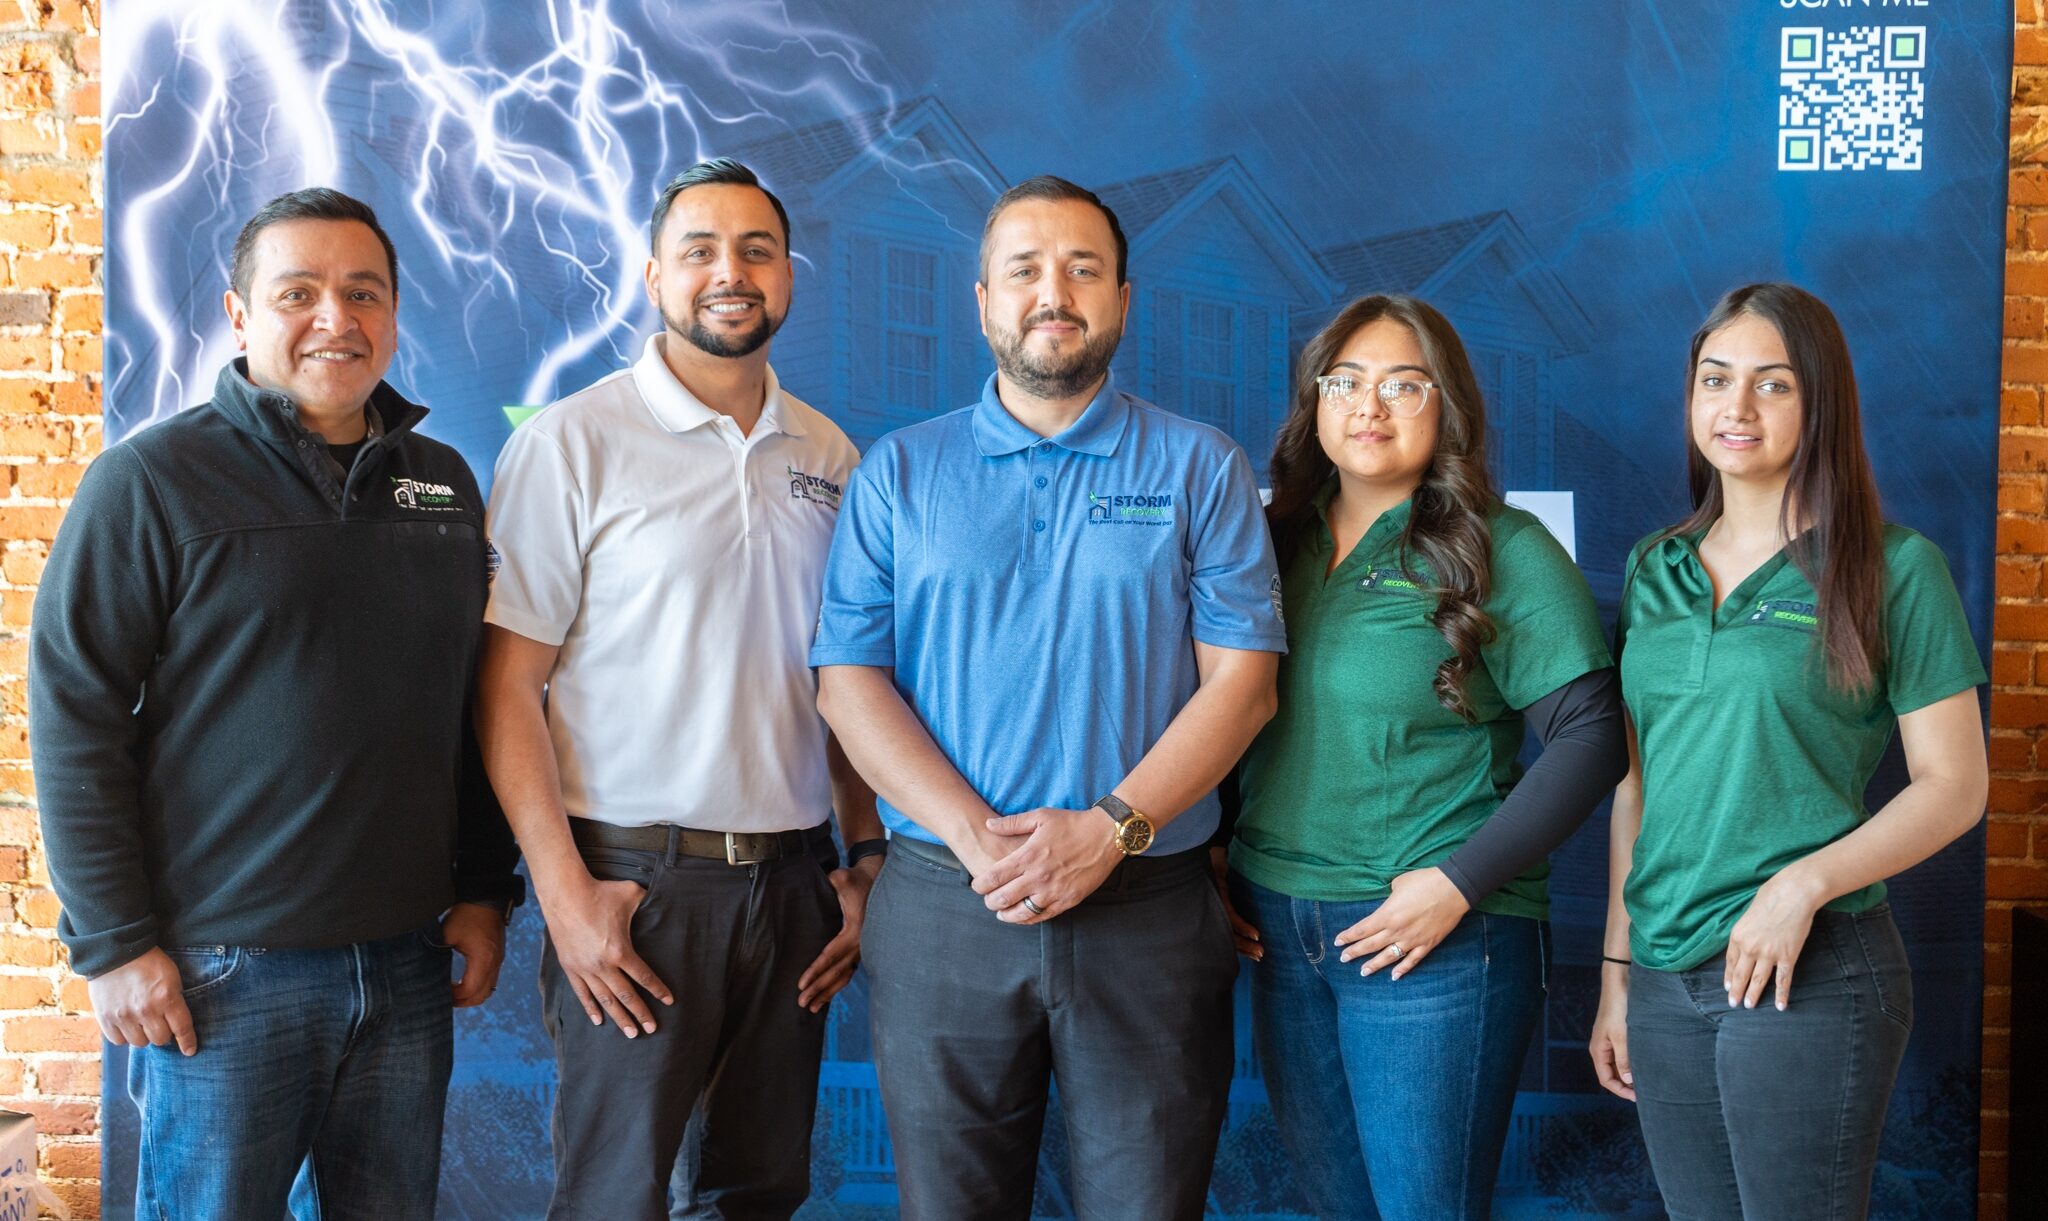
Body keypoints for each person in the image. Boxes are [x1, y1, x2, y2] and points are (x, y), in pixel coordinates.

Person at [30, 187, 521, 1219]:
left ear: (391, 315)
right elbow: (74, 713)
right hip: (222, 974)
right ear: (240, 315)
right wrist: (114, 943)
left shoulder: (440, 485)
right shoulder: (150, 481)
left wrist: (482, 887)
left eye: (363, 293)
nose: (335, 320)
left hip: (405, 962)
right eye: (298, 293)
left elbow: (470, 703)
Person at [811, 175, 1285, 1220]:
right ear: (981, 298)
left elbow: (1243, 687)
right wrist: (973, 835)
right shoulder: (898, 472)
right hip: (945, 900)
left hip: (1149, 905)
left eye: (1081, 269)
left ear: (1121, 297)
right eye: (1023, 269)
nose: (1052, 292)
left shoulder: (1198, 465)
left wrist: (1111, 829)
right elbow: (847, 682)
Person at [475, 158, 878, 1221]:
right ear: (654, 277)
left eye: (755, 250)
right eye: (698, 250)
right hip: (634, 888)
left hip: (793, 893)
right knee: (615, 1198)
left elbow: (844, 681)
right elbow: (506, 686)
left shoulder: (829, 454)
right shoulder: (572, 441)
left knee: (759, 1191)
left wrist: (863, 855)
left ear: (788, 276)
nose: (728, 272)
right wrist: (565, 898)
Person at [1219, 294, 1626, 1220]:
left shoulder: (1501, 547)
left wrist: (1456, 881)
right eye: (1346, 381)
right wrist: (1216, 846)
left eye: (1405, 384)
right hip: (1278, 929)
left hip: (1434, 935)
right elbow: (1232, 711)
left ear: (1448, 408)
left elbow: (1594, 734)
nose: (1371, 405)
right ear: (1314, 402)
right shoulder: (1266, 540)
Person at [1588, 283, 1987, 1220]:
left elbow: (1956, 783)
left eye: (1773, 385)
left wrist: (1799, 885)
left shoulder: (1893, 567)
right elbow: (1635, 790)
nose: (1736, 408)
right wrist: (1617, 976)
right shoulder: (1656, 567)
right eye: (1715, 380)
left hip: (1810, 970)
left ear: (1821, 403)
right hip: (1663, 976)